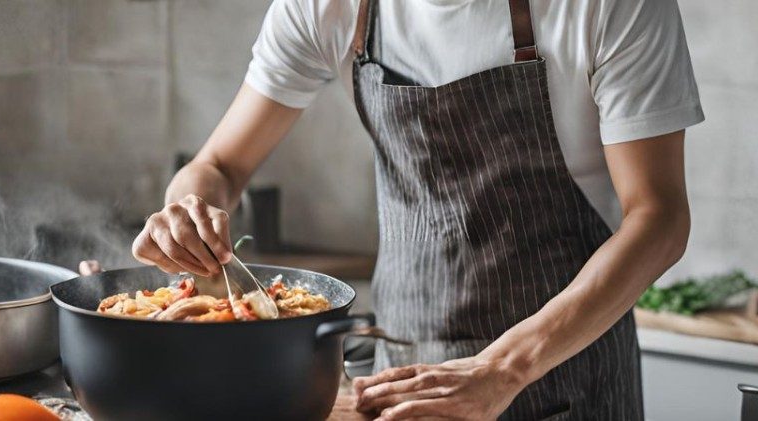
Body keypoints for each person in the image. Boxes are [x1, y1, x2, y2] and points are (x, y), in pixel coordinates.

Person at [130, 0, 701, 419]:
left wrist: (501, 368)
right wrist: (189, 207)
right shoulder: (330, 7)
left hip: (566, 371)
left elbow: (659, 219)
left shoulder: (613, 7)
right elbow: (221, 166)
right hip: (402, 374)